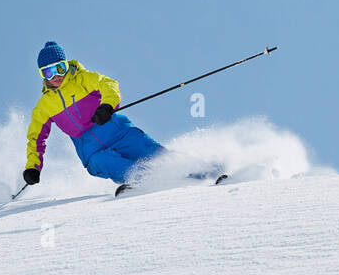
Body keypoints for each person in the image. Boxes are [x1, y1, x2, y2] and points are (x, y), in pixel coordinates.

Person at [22, 42, 219, 195]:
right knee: (108, 163)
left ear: (67, 65)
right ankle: (146, 181)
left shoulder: (83, 79)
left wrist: (106, 106)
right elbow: (36, 139)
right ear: (42, 75)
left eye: (60, 68)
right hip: (92, 151)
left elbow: (109, 85)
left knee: (156, 154)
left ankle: (206, 170)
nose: (56, 75)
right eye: (49, 71)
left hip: (119, 132)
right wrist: (33, 167)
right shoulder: (44, 107)